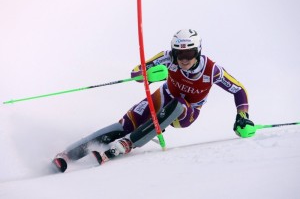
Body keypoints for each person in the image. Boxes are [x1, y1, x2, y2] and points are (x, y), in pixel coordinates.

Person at [53, 29, 255, 172]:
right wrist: (147, 74)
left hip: (187, 112)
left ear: (198, 51)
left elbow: (239, 89)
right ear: (173, 52)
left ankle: (128, 143)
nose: (184, 59)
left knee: (179, 104)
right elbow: (135, 72)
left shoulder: (212, 70)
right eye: (179, 54)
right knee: (125, 124)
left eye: (189, 53)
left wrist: (242, 116)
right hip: (163, 96)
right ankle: (68, 154)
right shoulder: (167, 58)